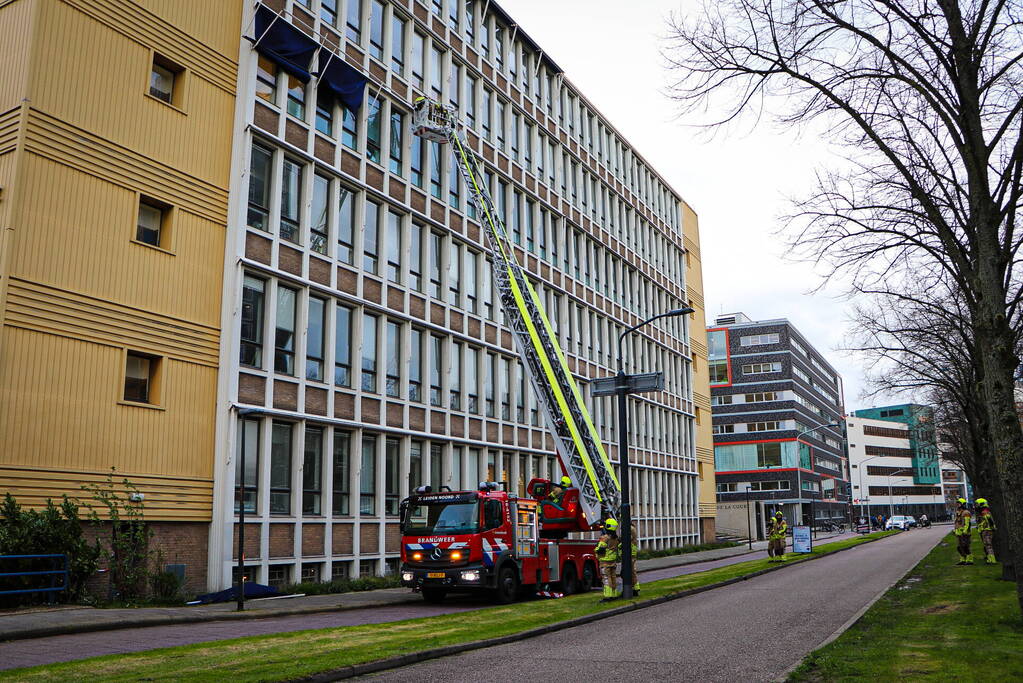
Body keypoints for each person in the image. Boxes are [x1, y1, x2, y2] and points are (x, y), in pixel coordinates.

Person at [595, 518, 620, 602]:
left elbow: (600, 549)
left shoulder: (605, 538)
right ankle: (614, 594)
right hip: (613, 561)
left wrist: (596, 548)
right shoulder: (616, 538)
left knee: (606, 578)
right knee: (613, 578)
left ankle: (607, 596)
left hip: (605, 561)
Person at [975, 498, 997, 564]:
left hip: (987, 530)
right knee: (986, 545)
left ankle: (992, 560)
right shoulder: (982, 513)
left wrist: (992, 527)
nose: (976, 506)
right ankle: (989, 558)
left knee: (988, 545)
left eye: (977, 505)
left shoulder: (985, 512)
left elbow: (990, 521)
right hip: (984, 530)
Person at [953, 497, 973, 565]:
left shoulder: (966, 512)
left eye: (959, 504)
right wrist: (955, 530)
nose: (958, 505)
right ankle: (963, 559)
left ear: (963, 504)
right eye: (957, 504)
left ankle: (970, 560)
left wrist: (965, 531)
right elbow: (957, 523)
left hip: (964, 533)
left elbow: (967, 524)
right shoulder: (958, 512)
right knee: (959, 547)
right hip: (959, 533)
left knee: (966, 547)